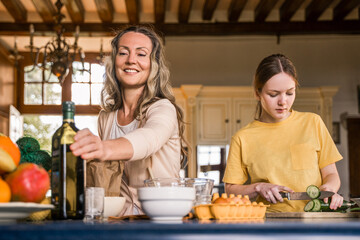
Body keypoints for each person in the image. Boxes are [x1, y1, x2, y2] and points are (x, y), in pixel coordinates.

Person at [70, 25, 187, 216]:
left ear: (153, 64)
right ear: (114, 60)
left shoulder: (163, 109)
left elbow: (148, 139)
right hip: (118, 220)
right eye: (124, 53)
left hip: (160, 220)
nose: (131, 60)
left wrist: (103, 148)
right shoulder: (106, 118)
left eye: (141, 54)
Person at [223, 54, 343, 212]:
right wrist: (259, 187)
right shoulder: (242, 138)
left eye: (289, 93)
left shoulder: (313, 123)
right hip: (270, 223)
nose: (283, 102)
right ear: (257, 93)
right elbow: (231, 189)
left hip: (315, 219)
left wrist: (329, 189)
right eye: (273, 94)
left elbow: (331, 174)